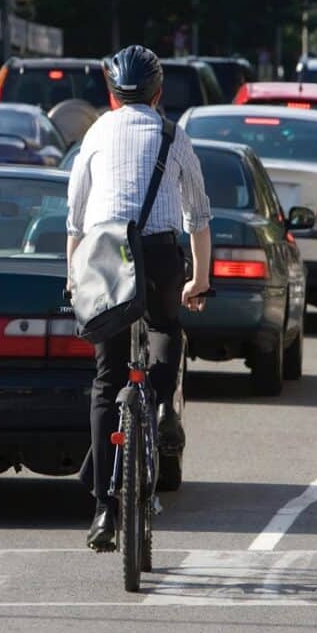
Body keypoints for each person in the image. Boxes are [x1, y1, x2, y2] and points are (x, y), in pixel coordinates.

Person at [66, 45, 213, 551]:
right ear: (158, 93)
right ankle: (158, 406)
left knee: (106, 380)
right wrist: (200, 280)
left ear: (111, 94)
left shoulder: (95, 134)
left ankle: (104, 510)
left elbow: (75, 219)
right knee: (167, 330)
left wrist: (73, 279)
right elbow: (198, 215)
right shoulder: (174, 136)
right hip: (158, 256)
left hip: (105, 252)